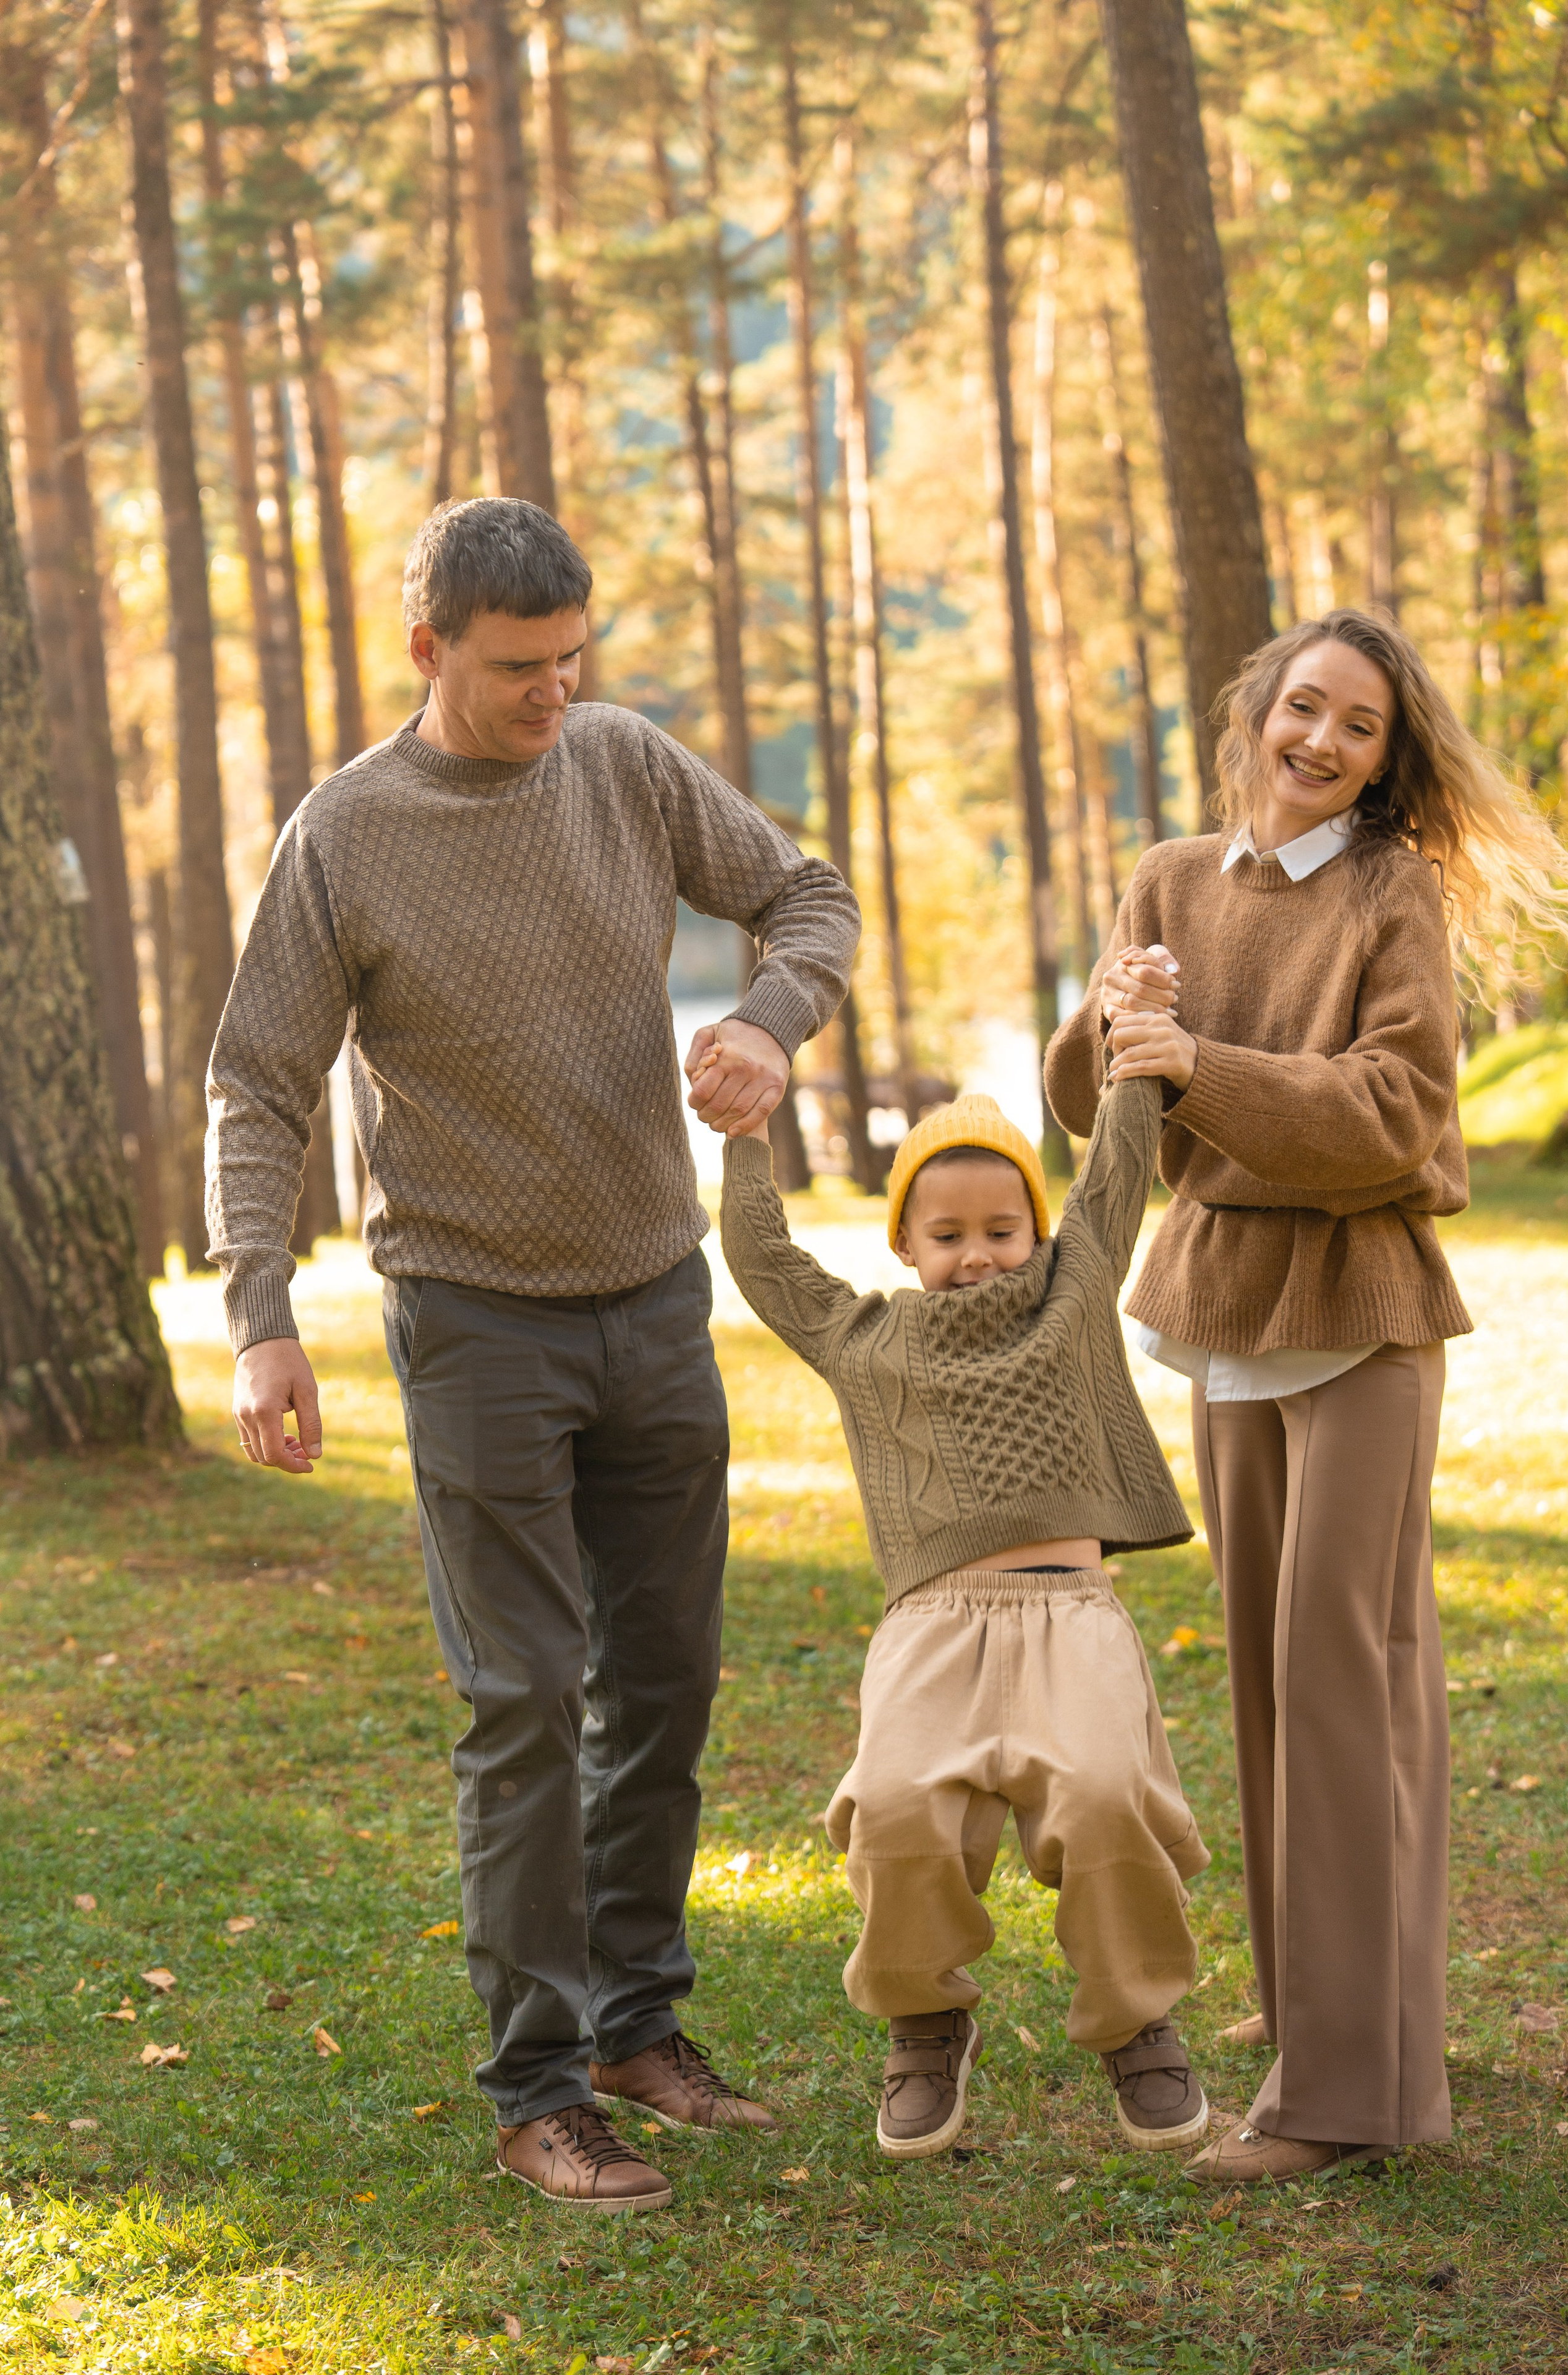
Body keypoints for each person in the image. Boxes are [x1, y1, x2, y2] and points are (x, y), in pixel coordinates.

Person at [206, 497, 861, 2212]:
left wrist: (768, 1023)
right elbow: (258, 1083)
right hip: (474, 1321)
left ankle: (643, 2027)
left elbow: (805, 892)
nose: (554, 694)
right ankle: (539, 2088)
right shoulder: (345, 834)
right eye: (518, 670)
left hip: (655, 1298)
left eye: (574, 658)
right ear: (427, 649)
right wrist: (261, 1316)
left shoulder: (627, 764)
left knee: (664, 1687)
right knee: (521, 1708)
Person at [1046, 606, 1568, 2185]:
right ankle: (1328, 2040)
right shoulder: (1164, 879)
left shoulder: (1387, 892)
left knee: (1352, 1690)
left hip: (1357, 1319)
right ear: (1254, 714)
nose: (1321, 742)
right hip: (1223, 1315)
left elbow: (1393, 1114)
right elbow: (1092, 1109)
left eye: (1358, 727)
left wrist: (1192, 1060)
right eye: (1304, 708)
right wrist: (1109, 1023)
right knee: (1277, 1698)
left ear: (1382, 759)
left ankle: (1347, 2096)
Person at [712, 1071, 1209, 2160]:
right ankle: (924, 2020)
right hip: (932, 1628)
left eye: (1003, 1228)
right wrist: (747, 1140)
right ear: (904, 1244)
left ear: (1039, 1230)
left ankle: (1136, 2019)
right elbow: (765, 1266)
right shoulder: (864, 1340)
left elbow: (1117, 1181)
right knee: (892, 1807)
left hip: (1069, 1617)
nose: (977, 1253)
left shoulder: (1070, 1298)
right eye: (947, 1234)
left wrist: (1132, 1063)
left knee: (1102, 1792)